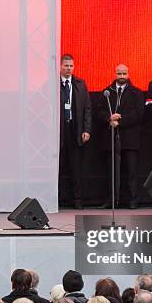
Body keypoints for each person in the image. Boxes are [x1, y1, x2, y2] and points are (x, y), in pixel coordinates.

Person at [98, 64, 144, 209]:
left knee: (131, 172)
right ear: (115, 74)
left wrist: (120, 120)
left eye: (124, 73)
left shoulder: (137, 92)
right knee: (111, 171)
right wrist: (109, 118)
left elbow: (139, 113)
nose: (122, 76)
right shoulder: (107, 92)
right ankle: (111, 200)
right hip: (111, 138)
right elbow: (98, 111)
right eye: (119, 73)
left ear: (128, 74)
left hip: (130, 138)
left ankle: (132, 200)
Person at [59, 54, 92, 209]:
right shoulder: (53, 84)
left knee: (76, 167)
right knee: (58, 166)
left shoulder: (80, 84)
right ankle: (55, 199)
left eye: (71, 66)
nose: (69, 69)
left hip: (75, 128)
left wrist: (86, 129)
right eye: (66, 66)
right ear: (60, 66)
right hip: (59, 129)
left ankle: (77, 200)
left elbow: (87, 109)